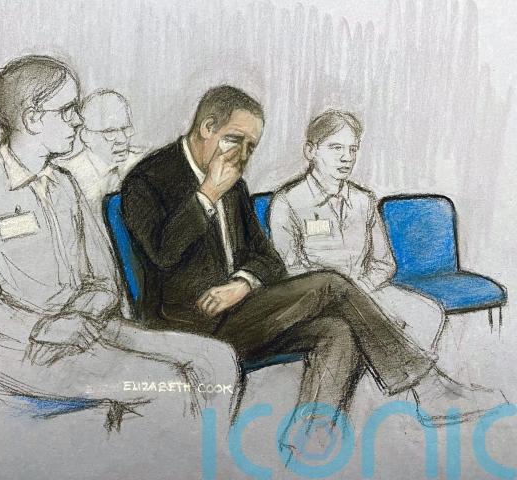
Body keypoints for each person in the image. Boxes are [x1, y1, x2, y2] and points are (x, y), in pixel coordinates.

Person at [121, 85, 505, 433]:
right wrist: (207, 194)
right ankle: (430, 389)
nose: (242, 155)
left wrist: (241, 283)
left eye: (251, 146)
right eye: (235, 140)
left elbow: (267, 259)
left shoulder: (234, 183)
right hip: (185, 325)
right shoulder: (147, 181)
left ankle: (312, 438)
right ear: (207, 127)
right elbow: (163, 253)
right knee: (331, 283)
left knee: (337, 331)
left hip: (240, 315)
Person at [0, 56, 238, 432]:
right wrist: (49, 327)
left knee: (217, 360)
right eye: (68, 110)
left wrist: (82, 314)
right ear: (32, 119)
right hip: (15, 349)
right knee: (167, 385)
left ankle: (208, 458)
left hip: (89, 329)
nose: (78, 120)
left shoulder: (65, 184)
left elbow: (104, 277)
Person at [270, 109, 446, 350]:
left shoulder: (364, 200)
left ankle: (409, 375)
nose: (347, 158)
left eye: (352, 149)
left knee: (428, 313)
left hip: (368, 289)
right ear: (311, 151)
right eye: (336, 148)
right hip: (320, 300)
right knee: (364, 330)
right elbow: (291, 269)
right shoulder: (288, 201)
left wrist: (362, 288)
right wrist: (342, 293)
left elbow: (384, 263)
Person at [60, 89, 144, 212]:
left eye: (125, 129)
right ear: (85, 135)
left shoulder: (142, 164)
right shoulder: (68, 177)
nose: (122, 139)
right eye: (110, 132)